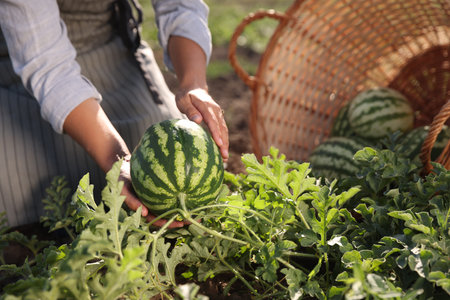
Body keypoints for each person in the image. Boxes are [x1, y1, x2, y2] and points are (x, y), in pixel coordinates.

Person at [0, 0, 229, 228]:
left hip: (110, 45)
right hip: (17, 62)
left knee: (161, 146)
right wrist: (117, 159)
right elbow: (47, 66)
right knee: (15, 178)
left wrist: (193, 84)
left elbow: (180, 6)